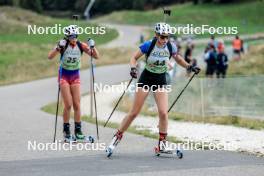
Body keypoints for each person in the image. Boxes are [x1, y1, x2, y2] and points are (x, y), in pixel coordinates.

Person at [106, 22, 200, 156]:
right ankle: (117, 136)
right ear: (156, 35)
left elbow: (178, 58)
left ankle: (162, 145)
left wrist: (189, 67)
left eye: (167, 37)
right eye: (162, 37)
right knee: (134, 113)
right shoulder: (148, 45)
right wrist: (133, 68)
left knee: (163, 113)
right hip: (146, 78)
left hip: (160, 79)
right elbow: (133, 58)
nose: (164, 40)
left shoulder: (170, 46)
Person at [48, 25, 99, 142]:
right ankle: (66, 131)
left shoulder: (81, 45)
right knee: (68, 104)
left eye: (76, 36)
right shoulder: (63, 44)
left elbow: (96, 56)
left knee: (77, 104)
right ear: (67, 36)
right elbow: (50, 57)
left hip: (75, 76)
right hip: (64, 76)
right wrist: (57, 48)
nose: (74, 38)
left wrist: (93, 46)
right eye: (71, 36)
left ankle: (78, 131)